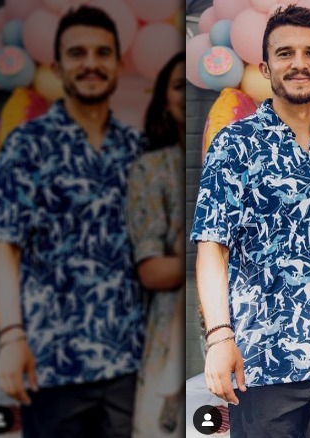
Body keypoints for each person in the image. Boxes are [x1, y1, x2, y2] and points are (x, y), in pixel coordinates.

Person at [190, 5, 310, 437]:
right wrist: (219, 337)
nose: (299, 64)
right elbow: (212, 246)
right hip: (261, 363)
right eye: (285, 54)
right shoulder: (235, 144)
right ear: (265, 67)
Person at [0, 5, 144, 436]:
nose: (90, 63)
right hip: (52, 363)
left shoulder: (137, 148)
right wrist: (12, 337)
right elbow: (3, 246)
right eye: (77, 53)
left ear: (117, 63)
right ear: (57, 65)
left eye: (102, 52)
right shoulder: (27, 145)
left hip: (130, 363)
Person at [127, 51, 185, 437]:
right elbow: (152, 271)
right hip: (168, 329)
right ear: (165, 99)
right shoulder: (153, 169)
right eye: (179, 86)